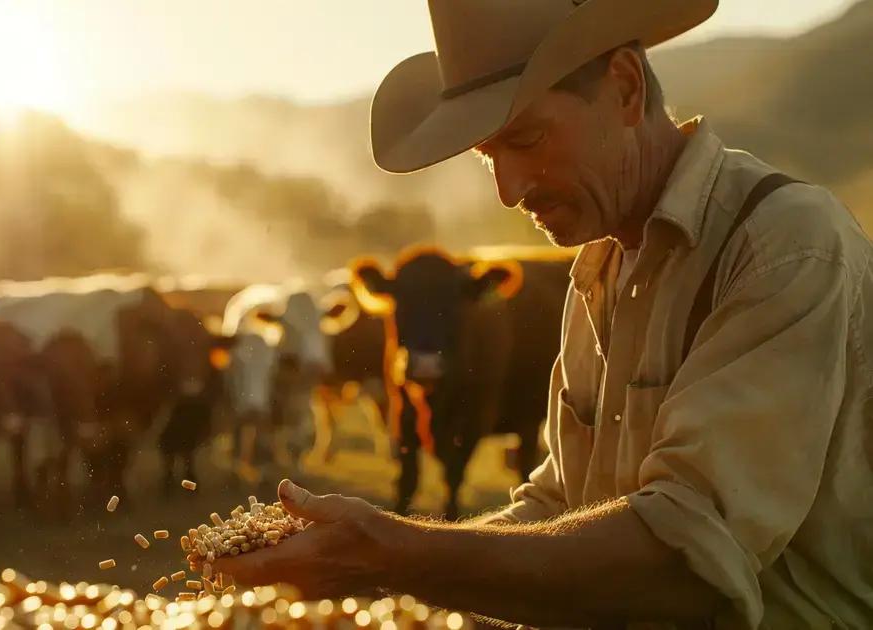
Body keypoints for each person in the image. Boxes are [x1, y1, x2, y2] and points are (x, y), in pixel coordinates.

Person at [214, 0, 873, 627]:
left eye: (526, 139)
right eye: (488, 156)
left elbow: (687, 558)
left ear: (623, 87)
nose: (508, 190)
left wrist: (389, 553)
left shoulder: (786, 250)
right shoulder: (599, 268)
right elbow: (559, 510)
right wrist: (368, 570)